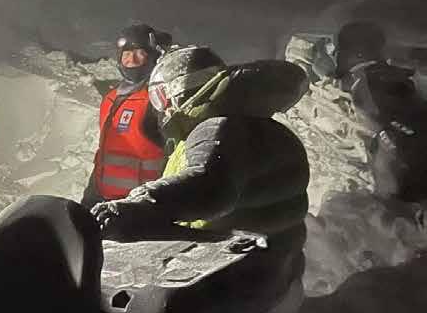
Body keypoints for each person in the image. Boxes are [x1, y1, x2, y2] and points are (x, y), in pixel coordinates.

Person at [91, 46, 310, 246]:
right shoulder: (245, 125)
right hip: (255, 252)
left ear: (180, 89)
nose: (161, 110)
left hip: (237, 263)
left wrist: (134, 208)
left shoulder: (217, 128)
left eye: (160, 97)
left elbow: (207, 185)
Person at [333, 20, 427, 201]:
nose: (335, 54)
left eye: (341, 49)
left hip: (406, 179)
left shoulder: (370, 82)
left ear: (357, 52)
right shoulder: (395, 75)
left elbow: (396, 129)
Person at [81, 24, 172, 207]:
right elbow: (106, 152)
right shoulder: (111, 98)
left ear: (152, 57)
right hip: (101, 199)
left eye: (140, 53)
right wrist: (90, 197)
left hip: (140, 206)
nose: (131, 59)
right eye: (126, 54)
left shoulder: (158, 99)